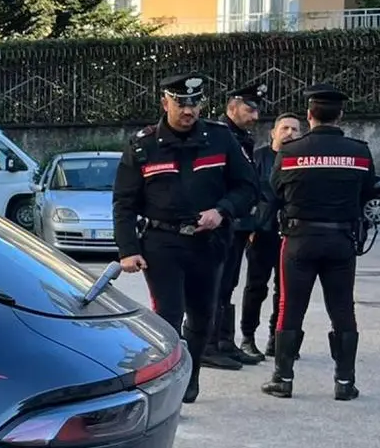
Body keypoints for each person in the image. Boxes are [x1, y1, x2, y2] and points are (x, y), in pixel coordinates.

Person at [114, 72, 256, 403]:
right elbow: (123, 202)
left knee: (203, 314)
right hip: (163, 244)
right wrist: (127, 249)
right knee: (167, 316)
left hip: (209, 243)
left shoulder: (221, 140)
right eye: (180, 104)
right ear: (165, 103)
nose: (188, 111)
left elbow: (248, 187)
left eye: (194, 103)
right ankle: (167, 381)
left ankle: (190, 379)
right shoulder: (143, 145)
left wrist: (222, 210)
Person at [262, 85, 376, 401]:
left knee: (290, 308)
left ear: (309, 115)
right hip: (340, 239)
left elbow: (275, 192)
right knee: (342, 308)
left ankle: (283, 378)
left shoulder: (289, 152)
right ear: (340, 115)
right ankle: (344, 382)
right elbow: (367, 192)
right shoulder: (359, 152)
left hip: (299, 239)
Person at [209, 81, 268, 365]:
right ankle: (208, 344)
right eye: (250, 109)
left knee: (229, 282)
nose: (255, 117)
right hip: (222, 220)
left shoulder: (239, 136)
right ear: (231, 107)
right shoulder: (220, 135)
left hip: (239, 222)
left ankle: (223, 340)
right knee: (216, 282)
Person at [240, 113, 304, 362]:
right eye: (285, 128)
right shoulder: (257, 158)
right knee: (256, 287)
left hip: (292, 234)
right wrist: (252, 226)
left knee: (286, 290)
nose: (290, 133)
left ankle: (277, 339)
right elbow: (247, 193)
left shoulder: (302, 160)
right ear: (273, 133)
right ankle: (247, 337)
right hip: (262, 233)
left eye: (295, 129)